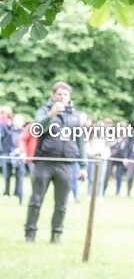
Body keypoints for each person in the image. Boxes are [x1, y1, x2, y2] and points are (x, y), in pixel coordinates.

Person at [24, 81, 87, 243]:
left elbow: (80, 142)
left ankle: (56, 235)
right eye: (59, 94)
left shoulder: (75, 116)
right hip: (44, 162)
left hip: (66, 164)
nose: (62, 97)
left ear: (69, 97)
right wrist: (50, 115)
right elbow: (36, 129)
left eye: (66, 95)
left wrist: (83, 166)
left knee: (61, 203)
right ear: (53, 95)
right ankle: (30, 234)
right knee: (36, 200)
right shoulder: (43, 111)